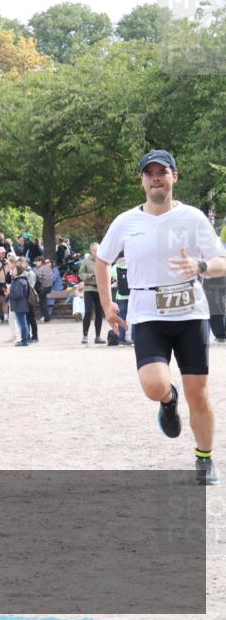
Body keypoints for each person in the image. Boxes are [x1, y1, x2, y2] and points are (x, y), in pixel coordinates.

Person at [97, 150, 226, 486]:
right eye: (149, 173)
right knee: (154, 385)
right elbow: (103, 260)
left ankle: (204, 458)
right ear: (142, 180)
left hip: (189, 313)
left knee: (198, 393)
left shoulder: (194, 218)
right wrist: (107, 304)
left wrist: (198, 266)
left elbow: (220, 262)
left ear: (174, 177)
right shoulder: (126, 221)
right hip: (147, 313)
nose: (156, 178)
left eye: (162, 172)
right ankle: (168, 402)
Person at [78, 243, 106, 344]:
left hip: (100, 289)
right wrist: (90, 276)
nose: (96, 252)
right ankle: (85, 335)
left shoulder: (103, 260)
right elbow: (80, 274)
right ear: (91, 251)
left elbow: (107, 271)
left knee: (99, 313)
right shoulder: (86, 261)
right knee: (88, 311)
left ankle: (98, 336)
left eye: (98, 250)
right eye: (94, 250)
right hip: (89, 288)